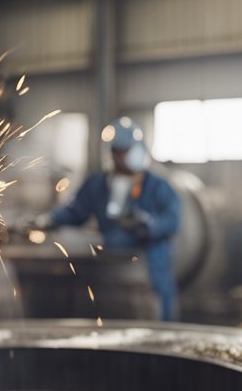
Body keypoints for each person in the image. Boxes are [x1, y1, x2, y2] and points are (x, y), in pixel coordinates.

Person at [28, 117, 181, 320]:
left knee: (158, 330)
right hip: (109, 272)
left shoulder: (157, 186)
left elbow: (172, 221)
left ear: (137, 151)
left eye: (124, 151)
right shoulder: (98, 184)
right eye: (115, 151)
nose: (118, 157)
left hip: (150, 274)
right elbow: (76, 212)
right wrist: (48, 220)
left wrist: (148, 224)